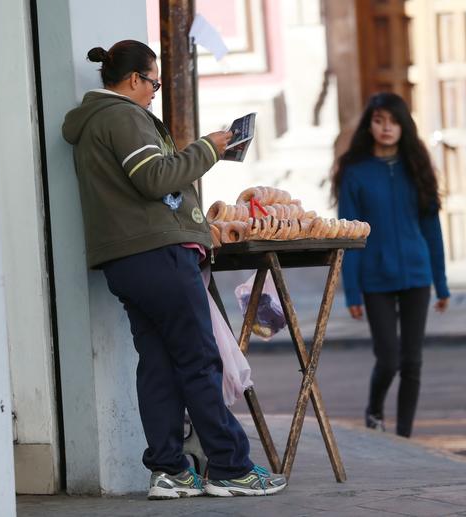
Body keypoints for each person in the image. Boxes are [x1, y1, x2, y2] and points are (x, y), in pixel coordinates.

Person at [62, 40, 286, 498]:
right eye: (154, 83)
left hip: (126, 260)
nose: (154, 92)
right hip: (158, 254)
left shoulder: (93, 123)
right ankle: (230, 467)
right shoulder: (122, 117)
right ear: (133, 80)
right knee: (198, 359)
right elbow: (155, 178)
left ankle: (170, 470)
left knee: (159, 365)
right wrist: (206, 148)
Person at [331, 92, 450, 438]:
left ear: (404, 127)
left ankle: (405, 437)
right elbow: (350, 235)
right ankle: (375, 409)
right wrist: (351, 291)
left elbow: (432, 229)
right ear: (370, 125)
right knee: (389, 360)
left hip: (417, 274)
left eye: (394, 121)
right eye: (379, 120)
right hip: (375, 278)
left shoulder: (417, 167)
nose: (386, 128)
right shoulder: (354, 172)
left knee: (412, 362)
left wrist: (440, 284)